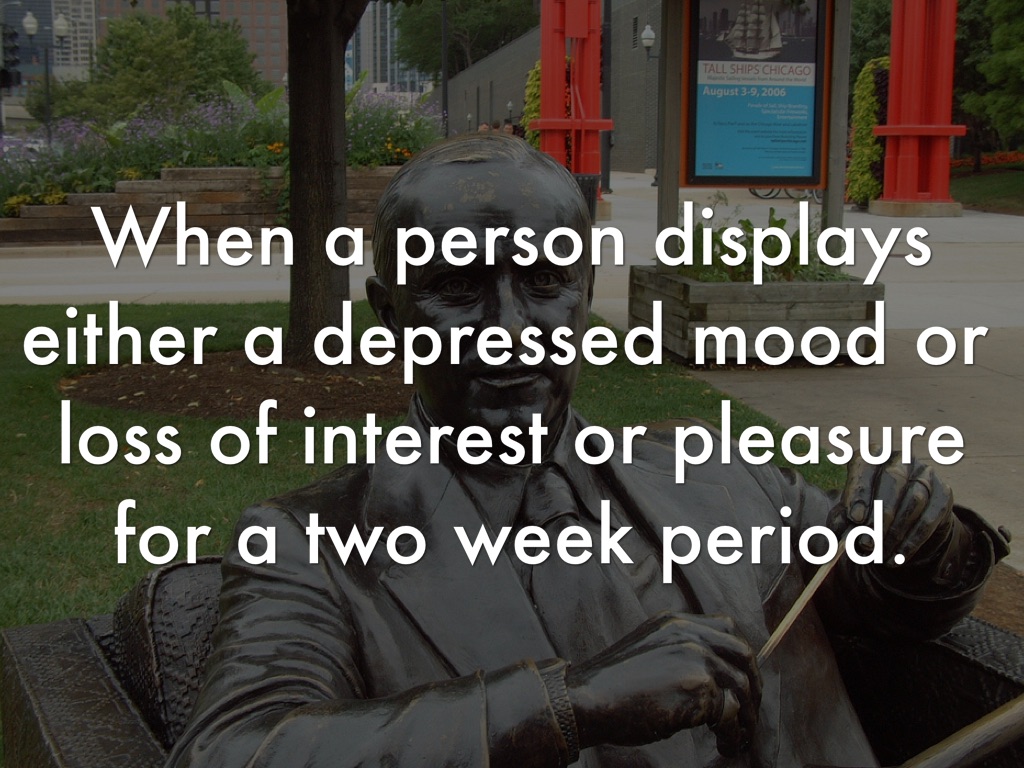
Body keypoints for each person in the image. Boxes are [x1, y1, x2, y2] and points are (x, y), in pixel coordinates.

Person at [167, 135, 1007, 768]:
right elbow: (233, 752)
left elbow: (885, 594)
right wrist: (570, 704)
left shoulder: (713, 471)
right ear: (391, 312)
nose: (510, 330)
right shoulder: (307, 548)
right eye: (458, 287)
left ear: (585, 292)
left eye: (545, 283)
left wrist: (926, 540)